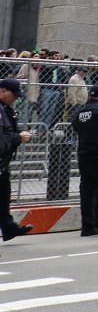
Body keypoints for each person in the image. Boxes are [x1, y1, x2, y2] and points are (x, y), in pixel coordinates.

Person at [71, 83, 98, 236]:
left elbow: (75, 126)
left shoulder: (81, 111)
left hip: (84, 154)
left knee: (87, 191)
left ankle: (88, 226)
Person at [0, 79, 34, 244]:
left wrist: (17, 135)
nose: (15, 99)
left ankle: (8, 227)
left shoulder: (6, 109)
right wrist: (18, 138)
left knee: (4, 196)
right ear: (4, 91)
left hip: (2, 163)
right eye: (14, 95)